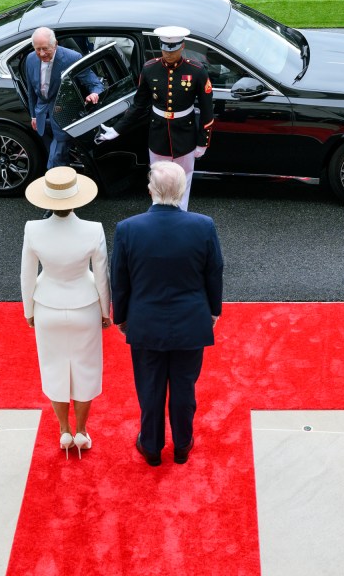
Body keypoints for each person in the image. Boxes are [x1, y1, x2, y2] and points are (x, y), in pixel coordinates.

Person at [111, 162, 224, 467]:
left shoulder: (128, 229)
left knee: (149, 387)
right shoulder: (204, 225)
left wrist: (120, 317)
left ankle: (150, 446)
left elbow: (119, 280)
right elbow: (214, 273)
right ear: (182, 189)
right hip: (191, 322)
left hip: (145, 322)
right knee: (184, 388)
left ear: (150, 190)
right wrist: (213, 310)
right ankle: (183, 444)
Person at [20, 167, 111, 458]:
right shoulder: (93, 229)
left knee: (54, 368)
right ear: (77, 199)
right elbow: (102, 276)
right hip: (85, 306)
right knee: (85, 369)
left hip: (47, 306)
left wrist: (28, 310)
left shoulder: (32, 229)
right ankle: (82, 431)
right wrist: (106, 311)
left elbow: (26, 275)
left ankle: (63, 430)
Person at [98, 25, 214, 211]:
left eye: (173, 49)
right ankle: (158, 213)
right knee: (158, 178)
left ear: (182, 46)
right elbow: (139, 105)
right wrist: (117, 129)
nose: (169, 54)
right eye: (165, 49)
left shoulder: (197, 71)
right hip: (158, 132)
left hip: (185, 133)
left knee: (184, 178)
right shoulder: (150, 69)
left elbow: (208, 110)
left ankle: (180, 214)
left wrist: (203, 141)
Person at [23, 27, 102, 170]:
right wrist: (33, 115)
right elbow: (31, 91)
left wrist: (94, 93)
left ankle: (55, 182)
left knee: (55, 159)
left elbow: (94, 83)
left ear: (56, 44)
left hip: (64, 114)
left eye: (45, 49)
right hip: (42, 115)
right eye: (38, 49)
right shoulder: (30, 59)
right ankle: (66, 177)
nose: (41, 53)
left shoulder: (72, 58)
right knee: (56, 154)